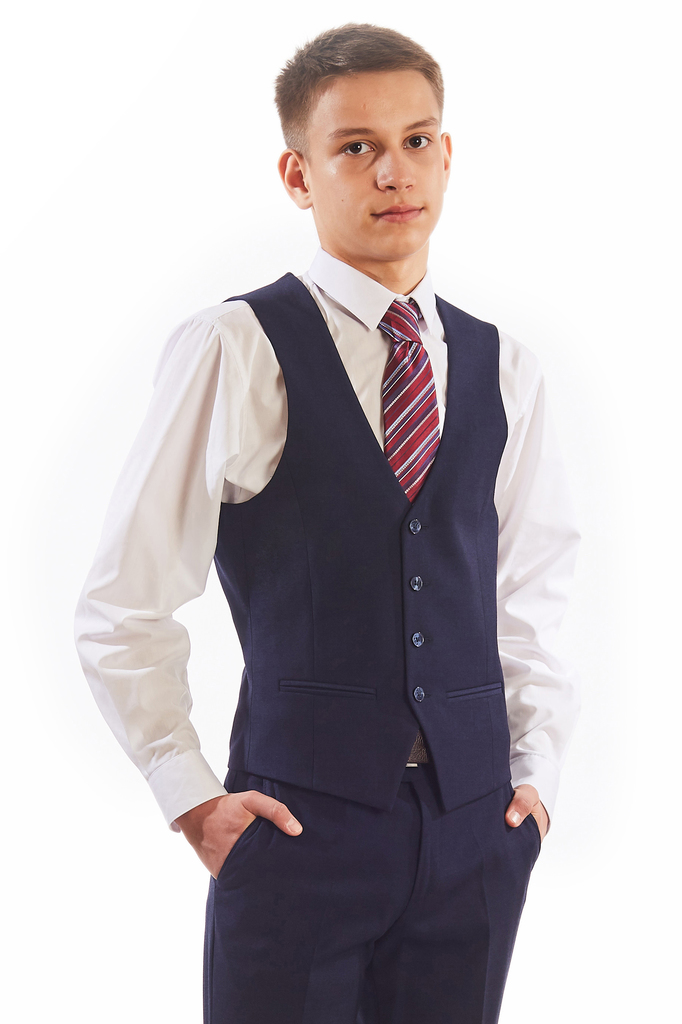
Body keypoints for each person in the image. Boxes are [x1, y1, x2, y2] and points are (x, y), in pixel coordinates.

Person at [74, 22, 581, 1024]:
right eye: (356, 147)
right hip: (297, 832)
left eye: (416, 140)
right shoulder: (236, 347)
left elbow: (531, 594)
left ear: (447, 154)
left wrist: (535, 782)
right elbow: (123, 602)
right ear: (298, 174)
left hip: (475, 832)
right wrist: (191, 799)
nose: (394, 171)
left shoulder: (505, 368)